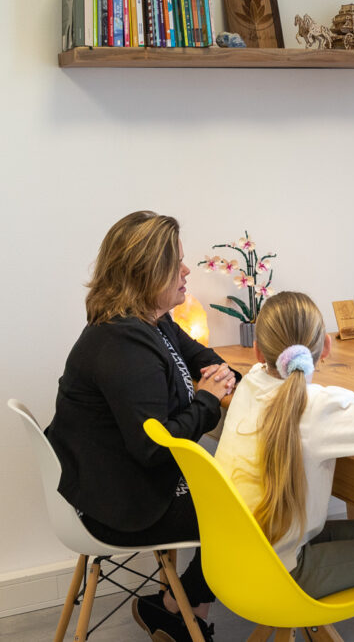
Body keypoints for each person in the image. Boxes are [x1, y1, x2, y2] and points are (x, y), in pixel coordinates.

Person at [46, 211, 238, 642]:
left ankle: (177, 608)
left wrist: (226, 378)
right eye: (176, 265)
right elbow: (155, 448)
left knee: (246, 491)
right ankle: (181, 606)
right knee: (258, 506)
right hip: (119, 504)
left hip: (112, 482)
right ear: (146, 272)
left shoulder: (153, 323)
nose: (187, 272)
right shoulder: (122, 343)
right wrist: (208, 399)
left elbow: (203, 358)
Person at [215, 291, 354, 641]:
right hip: (281, 574)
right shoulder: (318, 407)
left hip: (233, 562)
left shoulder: (250, 382)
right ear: (326, 347)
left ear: (258, 352)